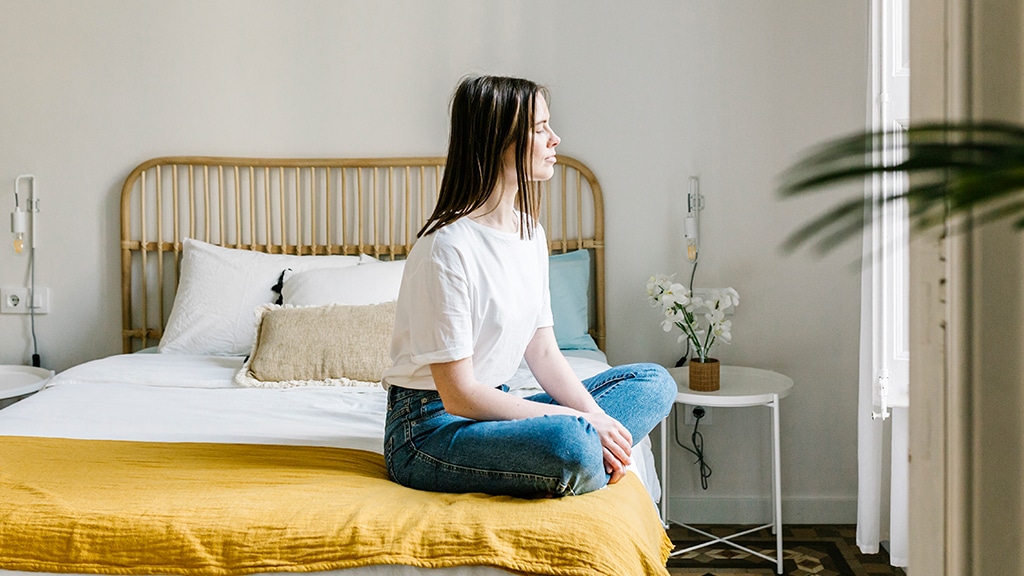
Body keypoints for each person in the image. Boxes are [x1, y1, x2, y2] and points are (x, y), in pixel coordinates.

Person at [381, 75, 676, 498]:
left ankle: (587, 460)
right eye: (540, 129)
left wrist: (597, 420)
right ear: (497, 141)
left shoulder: (529, 233)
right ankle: (582, 460)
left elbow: (543, 352)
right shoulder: (445, 248)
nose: (555, 139)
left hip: (494, 415)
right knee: (570, 443)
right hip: (429, 430)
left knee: (655, 383)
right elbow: (459, 396)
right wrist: (580, 425)